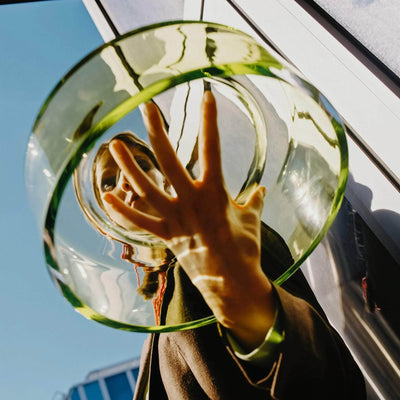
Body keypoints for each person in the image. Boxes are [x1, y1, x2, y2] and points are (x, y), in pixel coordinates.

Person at [94, 89, 366, 399]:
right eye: (108, 182)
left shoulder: (226, 236)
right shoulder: (153, 340)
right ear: (107, 227)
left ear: (165, 179)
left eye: (142, 165)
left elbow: (332, 384)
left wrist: (246, 304)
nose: (126, 180)